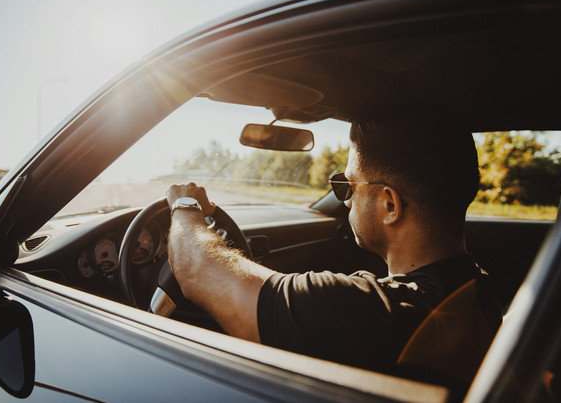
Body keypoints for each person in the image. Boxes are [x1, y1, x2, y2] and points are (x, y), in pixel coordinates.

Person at [165, 111, 502, 381]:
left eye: (349, 184)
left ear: (389, 206)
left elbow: (196, 270)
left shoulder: (368, 312)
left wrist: (185, 208)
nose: (346, 199)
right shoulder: (479, 288)